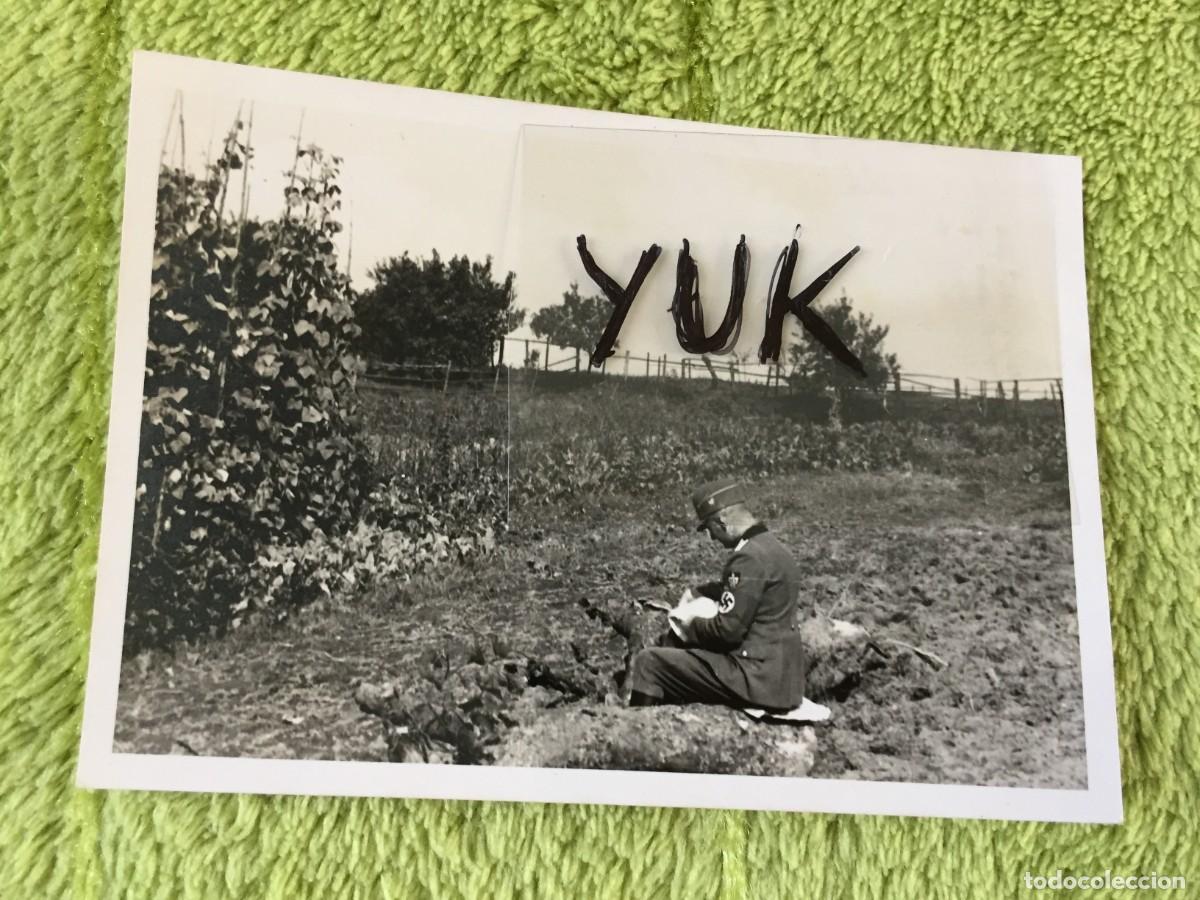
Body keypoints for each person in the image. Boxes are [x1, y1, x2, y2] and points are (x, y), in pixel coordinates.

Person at [627, 479, 807, 711]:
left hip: (756, 681)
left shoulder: (747, 558)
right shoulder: (776, 549)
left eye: (709, 530)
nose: (712, 538)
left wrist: (690, 624)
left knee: (648, 662)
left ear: (721, 522)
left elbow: (726, 632)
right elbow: (750, 591)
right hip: (786, 681)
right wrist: (700, 591)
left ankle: (633, 724)